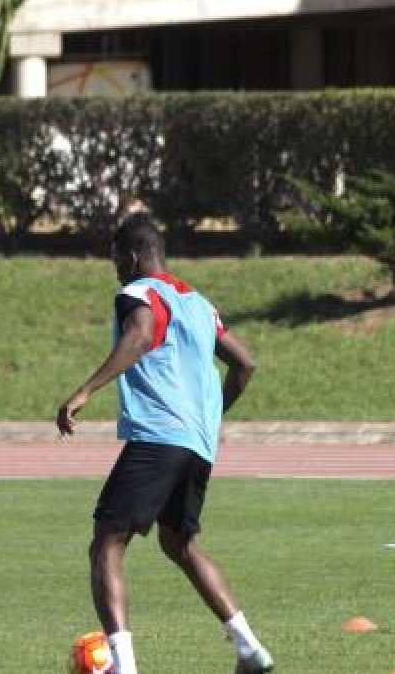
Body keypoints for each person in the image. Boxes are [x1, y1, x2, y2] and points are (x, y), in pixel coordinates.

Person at [55, 213, 272, 674]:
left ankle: (123, 666)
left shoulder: (139, 293)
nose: (115, 270)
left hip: (158, 435)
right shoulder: (198, 302)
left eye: (116, 260)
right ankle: (250, 649)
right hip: (197, 444)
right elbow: (245, 365)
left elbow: (141, 334)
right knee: (180, 544)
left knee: (106, 543)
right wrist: (210, 414)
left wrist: (85, 390)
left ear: (132, 256)